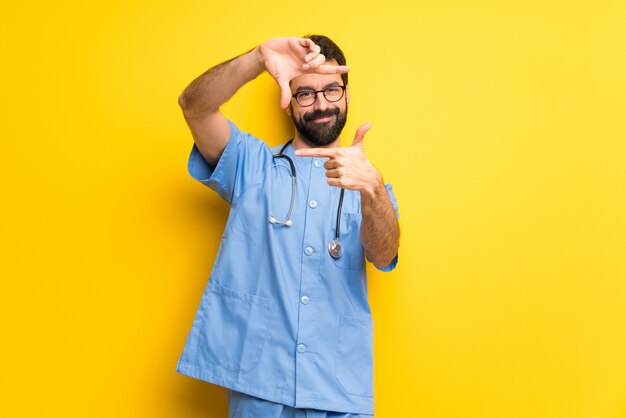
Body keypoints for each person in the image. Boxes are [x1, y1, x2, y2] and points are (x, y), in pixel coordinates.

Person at [176, 35, 400, 418]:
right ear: (289, 101)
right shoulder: (252, 165)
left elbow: (385, 254)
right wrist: (257, 59)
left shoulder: (370, 184)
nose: (321, 105)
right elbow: (194, 107)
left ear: (346, 93)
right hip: (260, 387)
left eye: (331, 89)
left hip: (338, 391)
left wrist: (372, 187)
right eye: (306, 94)